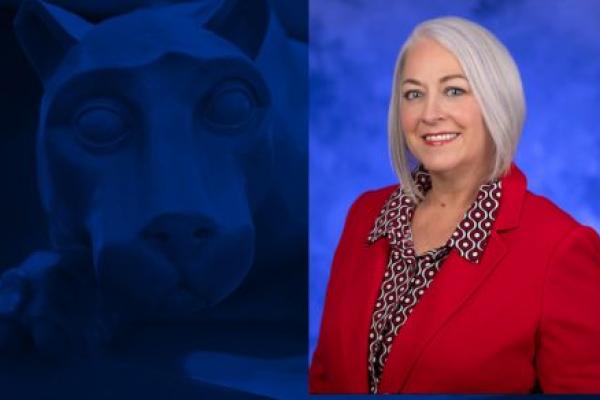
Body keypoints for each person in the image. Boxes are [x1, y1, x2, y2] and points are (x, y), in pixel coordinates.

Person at [309, 16, 600, 394]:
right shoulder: (366, 215)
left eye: (454, 91)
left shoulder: (561, 248)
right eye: (413, 94)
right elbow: (325, 379)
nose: (429, 114)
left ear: (497, 100)